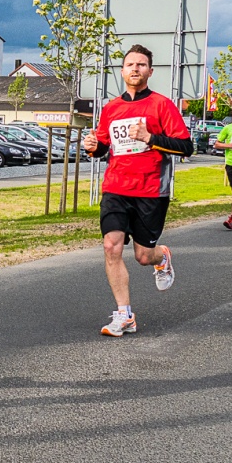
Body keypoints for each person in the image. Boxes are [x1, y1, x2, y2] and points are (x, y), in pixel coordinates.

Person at [82, 44, 194, 337]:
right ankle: (124, 315)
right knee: (111, 246)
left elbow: (186, 146)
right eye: (130, 64)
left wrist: (151, 137)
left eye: (141, 65)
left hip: (150, 190)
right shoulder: (112, 108)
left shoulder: (161, 105)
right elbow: (105, 145)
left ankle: (162, 257)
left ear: (150, 71)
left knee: (143, 256)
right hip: (116, 188)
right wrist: (94, 148)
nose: (135, 69)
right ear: (122, 70)